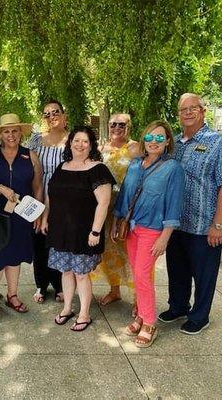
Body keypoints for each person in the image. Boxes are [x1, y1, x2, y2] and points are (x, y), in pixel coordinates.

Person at [112, 120, 185, 347]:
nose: (154, 142)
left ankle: (150, 323)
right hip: (131, 228)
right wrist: (117, 221)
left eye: (160, 138)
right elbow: (124, 196)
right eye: (150, 137)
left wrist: (165, 236)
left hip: (153, 230)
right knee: (137, 273)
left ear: (168, 141)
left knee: (143, 275)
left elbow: (174, 204)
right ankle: (141, 315)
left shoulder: (173, 168)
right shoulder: (135, 164)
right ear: (144, 140)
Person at [159, 93, 222, 335]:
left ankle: (199, 316)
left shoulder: (216, 142)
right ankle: (177, 307)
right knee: (177, 270)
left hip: (204, 223)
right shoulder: (173, 144)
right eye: (182, 109)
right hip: (175, 222)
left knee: (204, 275)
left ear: (202, 111)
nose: (187, 112)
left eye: (192, 108)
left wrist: (218, 224)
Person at [42, 125, 115, 331]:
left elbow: (103, 203)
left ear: (91, 145)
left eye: (85, 141)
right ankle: (67, 308)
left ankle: (84, 314)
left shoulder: (98, 169)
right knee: (66, 271)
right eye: (76, 140)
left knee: (82, 274)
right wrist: (46, 218)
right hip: (60, 230)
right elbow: (51, 195)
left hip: (85, 232)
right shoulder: (62, 166)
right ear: (70, 143)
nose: (80, 145)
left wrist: (96, 231)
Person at [0, 113, 43, 318]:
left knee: (15, 256)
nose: (11, 135)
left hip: (22, 215)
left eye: (15, 131)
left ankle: (12, 295)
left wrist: (38, 213)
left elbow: (38, 187)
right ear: (0, 134)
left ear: (21, 133)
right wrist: (0, 188)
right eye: (6, 131)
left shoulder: (30, 155)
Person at [92, 113, 139, 312]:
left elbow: (142, 177)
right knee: (110, 251)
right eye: (113, 124)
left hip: (129, 209)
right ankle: (115, 290)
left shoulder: (135, 148)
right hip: (106, 209)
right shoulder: (101, 149)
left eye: (122, 124)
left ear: (129, 127)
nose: (117, 128)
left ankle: (139, 298)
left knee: (131, 253)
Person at [25, 99, 67, 304]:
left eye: (55, 112)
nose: (51, 116)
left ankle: (59, 284)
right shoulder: (35, 140)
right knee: (38, 240)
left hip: (63, 197)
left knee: (58, 242)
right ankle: (41, 284)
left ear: (64, 115)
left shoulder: (72, 140)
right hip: (38, 193)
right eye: (47, 114)